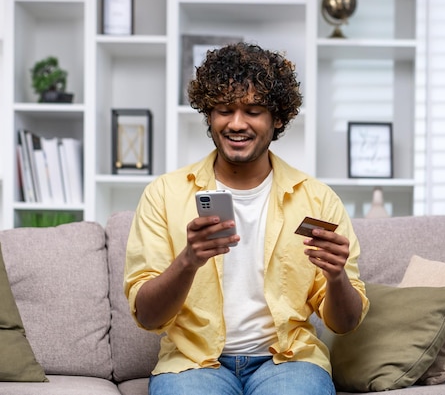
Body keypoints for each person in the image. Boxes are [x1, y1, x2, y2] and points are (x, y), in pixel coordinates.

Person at [124, 42, 369, 395]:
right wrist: (188, 261)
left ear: (279, 117)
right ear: (209, 114)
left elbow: (345, 324)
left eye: (253, 111)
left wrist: (336, 277)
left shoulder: (317, 200)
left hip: (287, 363)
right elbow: (147, 317)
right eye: (224, 109)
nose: (236, 123)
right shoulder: (164, 195)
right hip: (194, 364)